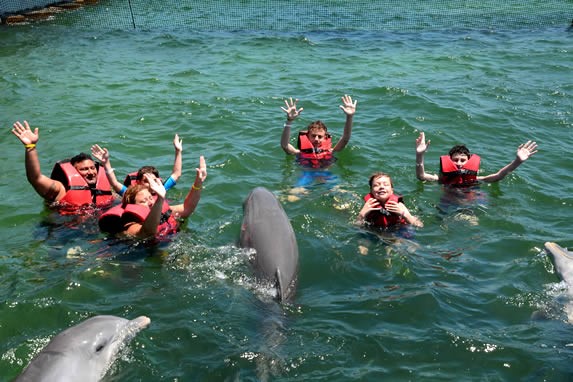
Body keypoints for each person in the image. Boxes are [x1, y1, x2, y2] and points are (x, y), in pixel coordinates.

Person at [11, 120, 113, 212]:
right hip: (64, 230)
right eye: (84, 169)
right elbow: (35, 178)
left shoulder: (105, 188)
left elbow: (123, 197)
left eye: (92, 168)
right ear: (75, 172)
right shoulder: (60, 189)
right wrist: (30, 147)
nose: (91, 173)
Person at [99, 156, 207, 239]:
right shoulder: (129, 225)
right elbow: (147, 233)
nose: (150, 202)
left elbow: (187, 208)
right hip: (134, 256)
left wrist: (198, 183)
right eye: (143, 201)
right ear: (132, 205)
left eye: (150, 198)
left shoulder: (159, 208)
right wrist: (160, 199)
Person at [415, 131, 538, 185]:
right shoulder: (442, 180)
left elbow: (499, 175)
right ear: (449, 161)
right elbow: (421, 176)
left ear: (469, 161)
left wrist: (518, 161)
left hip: (469, 207)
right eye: (455, 160)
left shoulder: (475, 179)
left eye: (463, 160)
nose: (459, 163)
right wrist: (419, 154)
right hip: (447, 206)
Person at [91, 134, 182, 196]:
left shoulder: (162, 190)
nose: (151, 183)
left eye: (154, 180)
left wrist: (178, 151)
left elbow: (176, 174)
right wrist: (106, 162)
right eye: (146, 181)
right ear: (138, 183)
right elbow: (114, 183)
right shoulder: (132, 196)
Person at [280, 95, 357, 168]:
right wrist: (289, 121)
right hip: (306, 175)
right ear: (308, 136)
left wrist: (349, 116)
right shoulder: (299, 153)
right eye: (313, 136)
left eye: (320, 137)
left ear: (325, 137)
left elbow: (345, 138)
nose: (316, 139)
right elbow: (285, 145)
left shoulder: (331, 151)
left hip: (326, 175)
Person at [357, 172, 423, 228]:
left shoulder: (398, 205)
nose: (381, 187)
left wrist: (404, 214)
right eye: (376, 185)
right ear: (371, 190)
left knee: (399, 242)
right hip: (373, 230)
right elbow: (356, 226)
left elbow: (419, 225)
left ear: (392, 190)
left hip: (397, 230)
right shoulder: (369, 205)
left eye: (386, 185)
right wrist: (362, 214)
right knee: (363, 242)